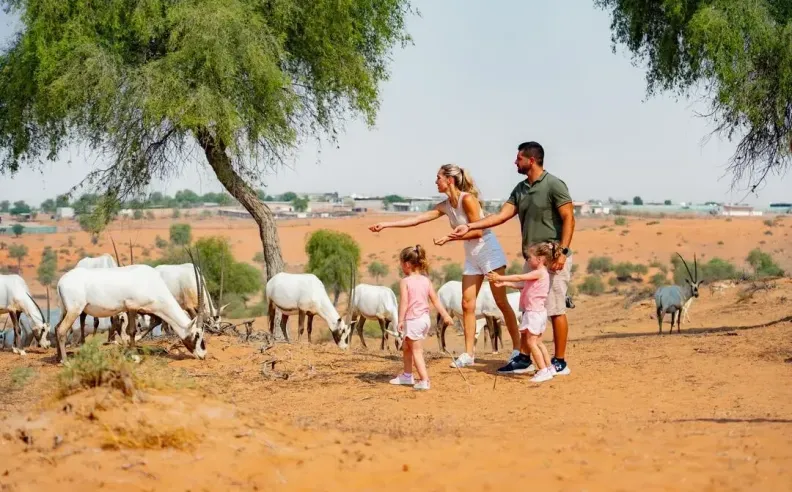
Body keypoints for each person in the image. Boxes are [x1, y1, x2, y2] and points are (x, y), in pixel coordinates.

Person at [369, 164, 521, 369]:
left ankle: (518, 350)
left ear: (449, 180)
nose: (435, 182)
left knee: (501, 303)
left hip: (489, 254)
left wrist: (450, 237)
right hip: (472, 257)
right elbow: (417, 220)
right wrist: (387, 225)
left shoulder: (467, 199)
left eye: (438, 178)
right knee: (467, 304)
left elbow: (479, 231)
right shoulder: (446, 205)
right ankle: (469, 354)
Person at [450, 142, 575, 375]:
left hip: (555, 255)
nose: (515, 162)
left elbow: (569, 218)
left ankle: (560, 361)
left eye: (519, 158)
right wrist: (468, 226)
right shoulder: (521, 189)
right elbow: (500, 216)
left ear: (532, 160)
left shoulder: (554, 185)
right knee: (528, 307)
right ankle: (525, 358)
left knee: (556, 308)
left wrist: (563, 253)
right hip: (533, 258)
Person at [488, 243, 556, 382]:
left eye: (530, 258)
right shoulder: (541, 274)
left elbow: (520, 278)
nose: (528, 260)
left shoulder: (539, 272)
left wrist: (500, 278)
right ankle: (549, 367)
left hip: (533, 313)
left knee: (531, 343)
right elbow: (523, 285)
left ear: (540, 259)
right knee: (539, 342)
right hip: (538, 312)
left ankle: (543, 370)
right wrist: (505, 284)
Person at [390, 245, 454, 391]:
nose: (401, 267)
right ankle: (407, 375)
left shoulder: (405, 282)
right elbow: (435, 300)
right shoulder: (426, 280)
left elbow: (404, 303)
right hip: (424, 320)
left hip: (413, 320)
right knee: (406, 346)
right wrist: (445, 315)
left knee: (416, 351)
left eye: (401, 264)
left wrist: (400, 320)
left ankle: (424, 380)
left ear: (407, 264)